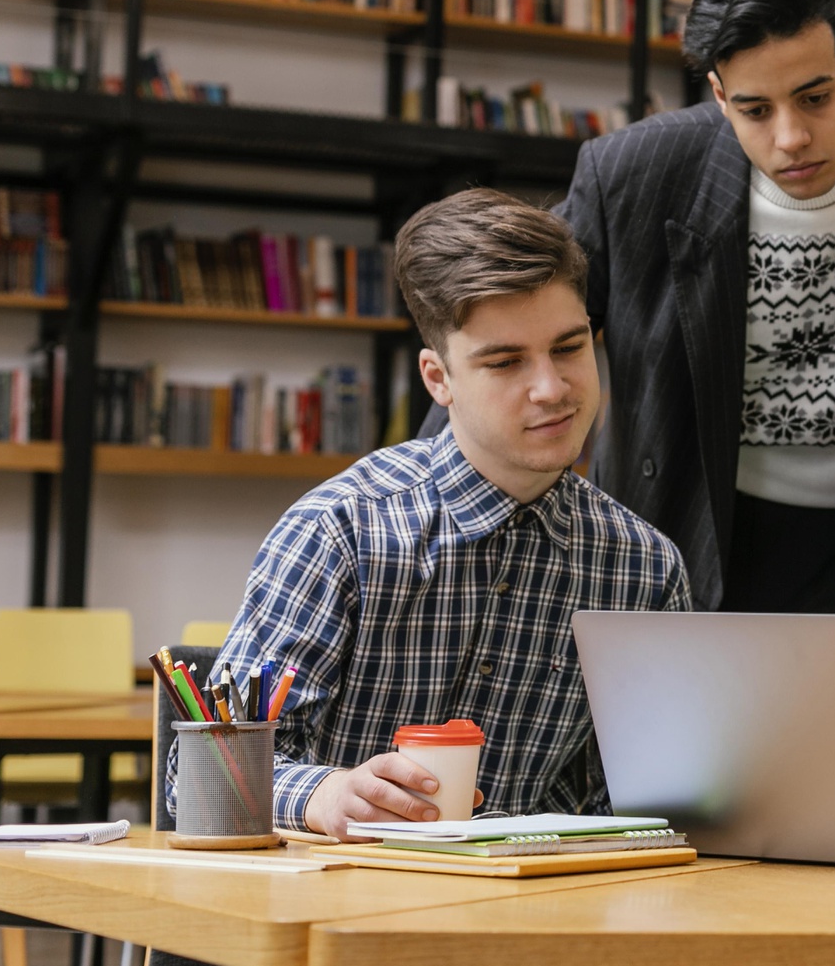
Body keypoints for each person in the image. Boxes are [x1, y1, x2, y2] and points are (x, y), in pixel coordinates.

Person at [427, 0, 835, 627]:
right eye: (755, 109)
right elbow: (504, 327)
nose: (791, 136)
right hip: (684, 537)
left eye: (814, 96)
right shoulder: (633, 174)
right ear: (718, 96)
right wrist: (421, 502)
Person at [169, 189, 690, 842]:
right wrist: (323, 793)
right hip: (335, 906)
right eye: (504, 361)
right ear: (438, 379)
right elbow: (199, 773)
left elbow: (649, 802)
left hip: (528, 917)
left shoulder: (643, 567)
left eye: (569, 346)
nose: (552, 388)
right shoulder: (340, 530)